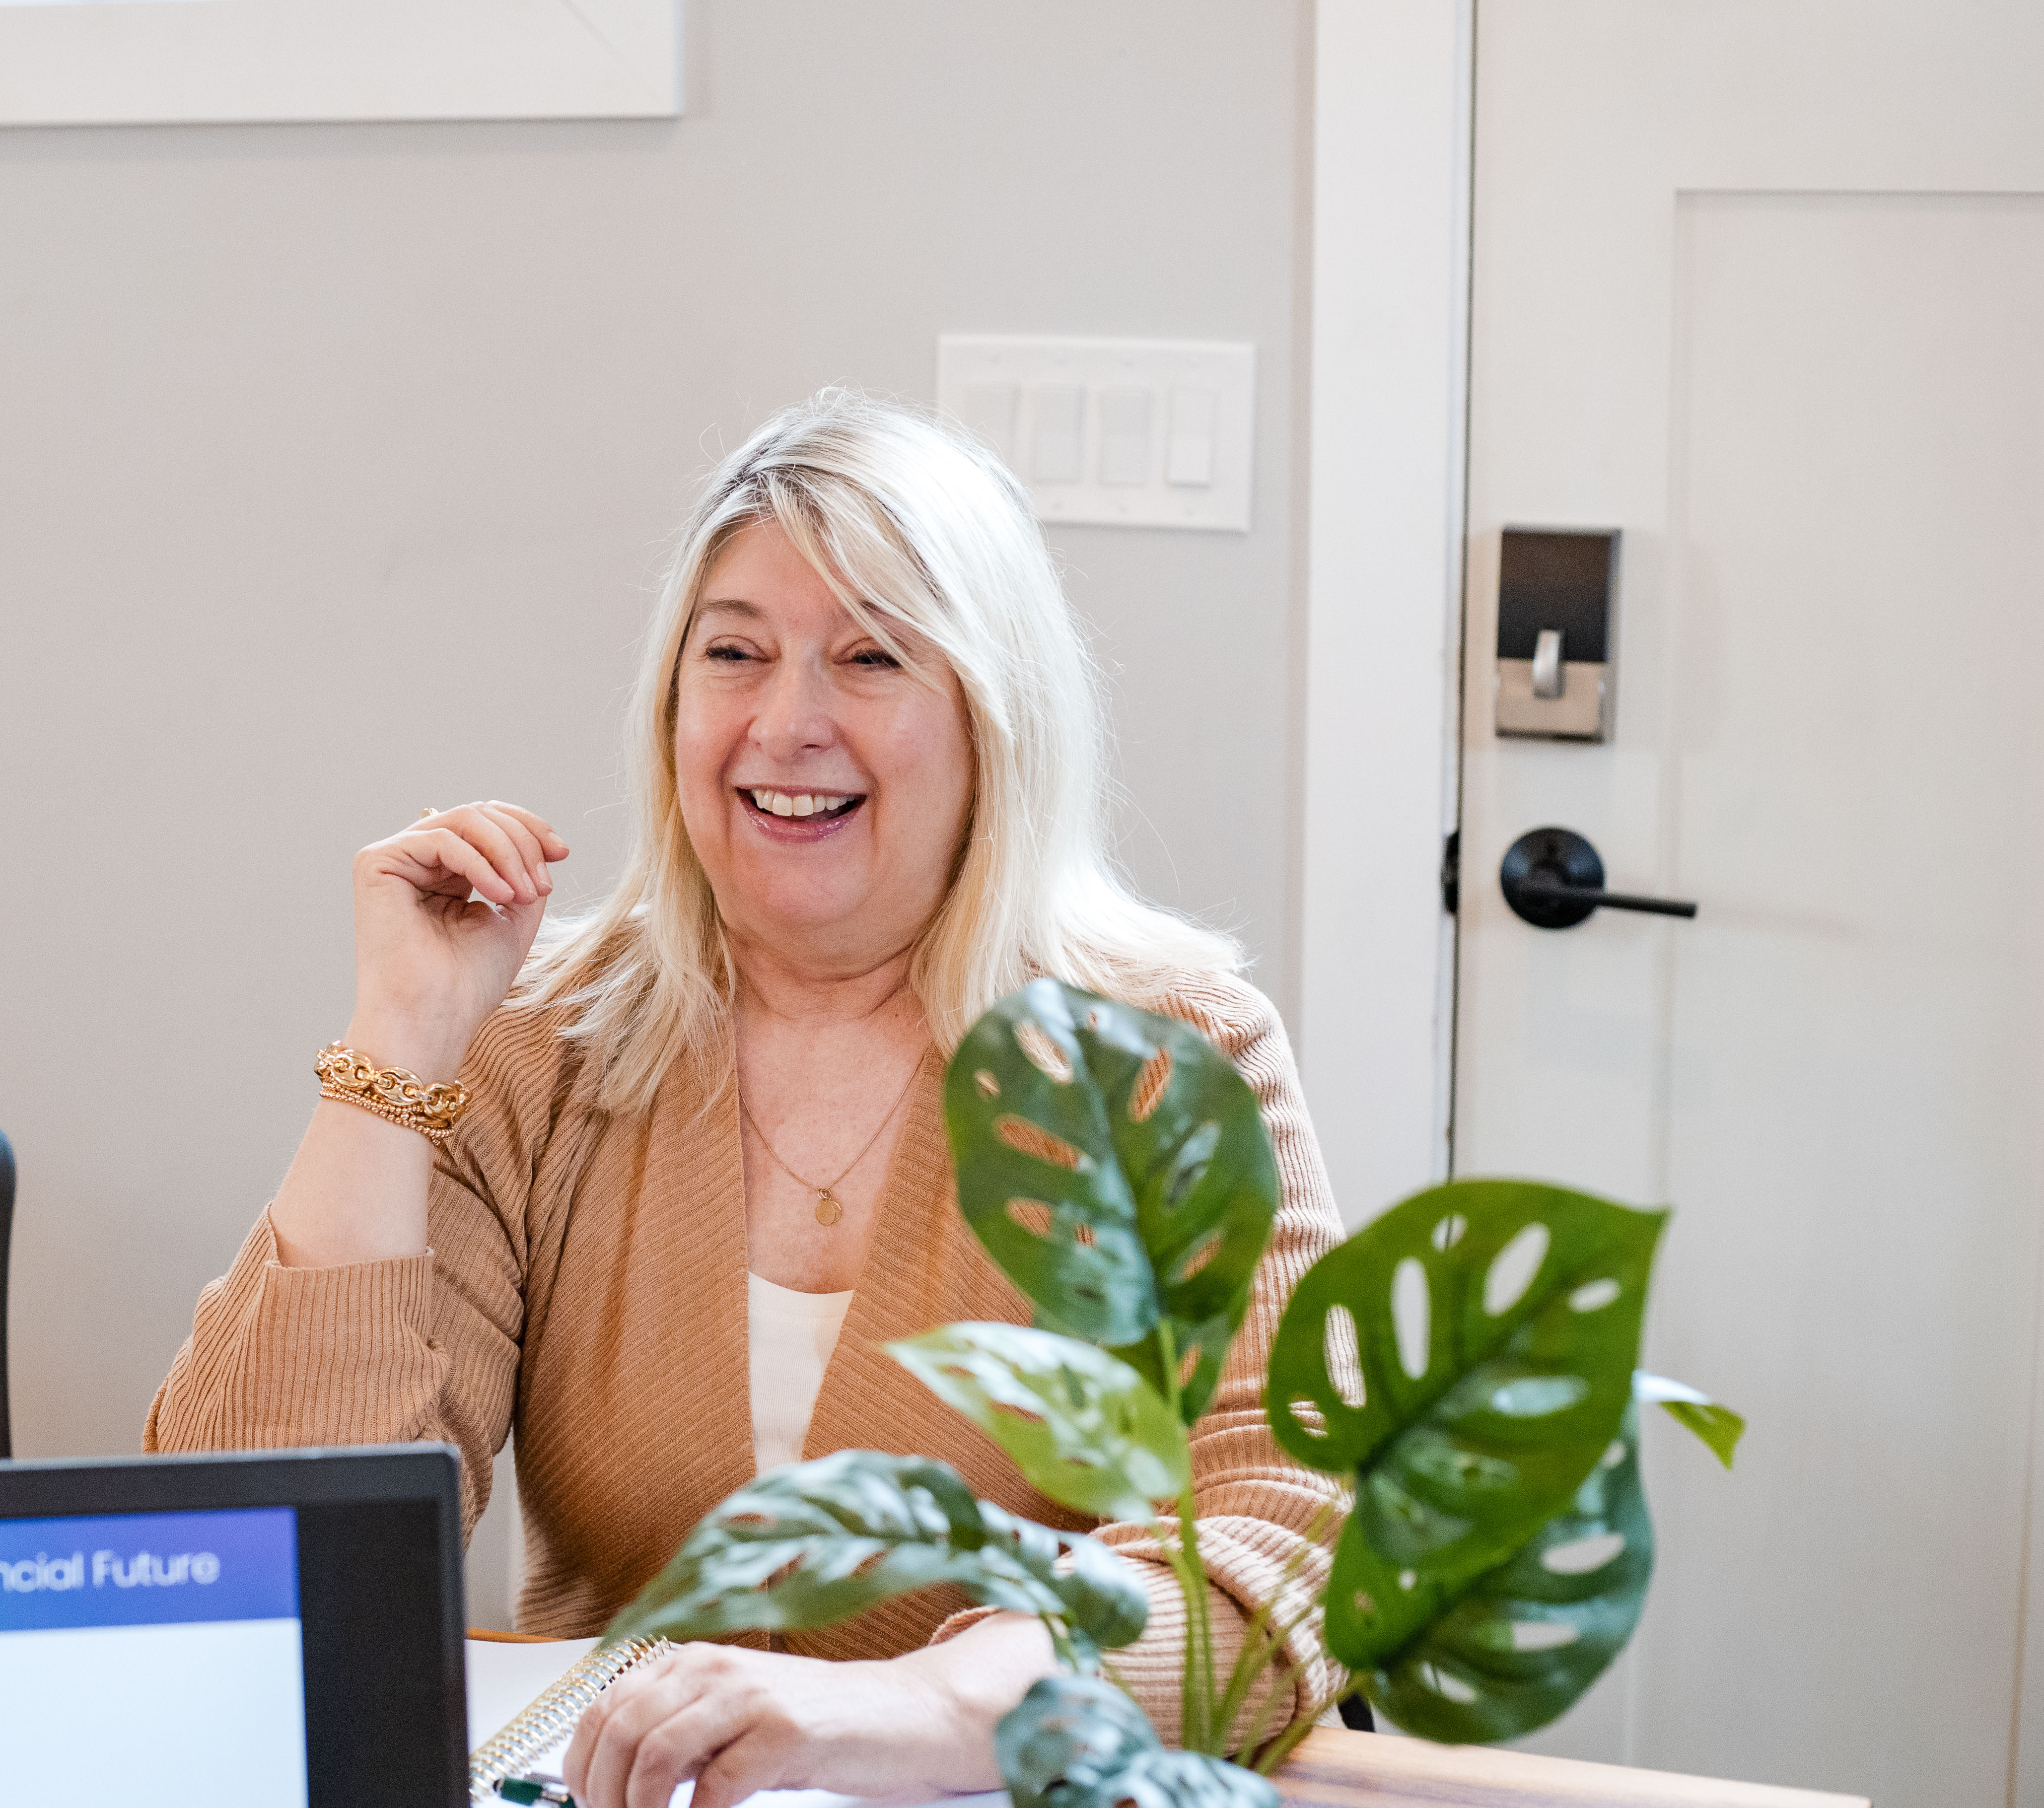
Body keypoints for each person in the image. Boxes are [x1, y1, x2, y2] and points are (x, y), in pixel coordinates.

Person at [147, 390, 1345, 1806]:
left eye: (871, 656)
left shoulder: (1166, 1054)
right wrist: (398, 1044)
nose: (788, 724)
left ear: (994, 715)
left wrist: (914, 1706)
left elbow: (1290, 1530)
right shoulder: (535, 1044)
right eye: (735, 653)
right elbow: (271, 1559)